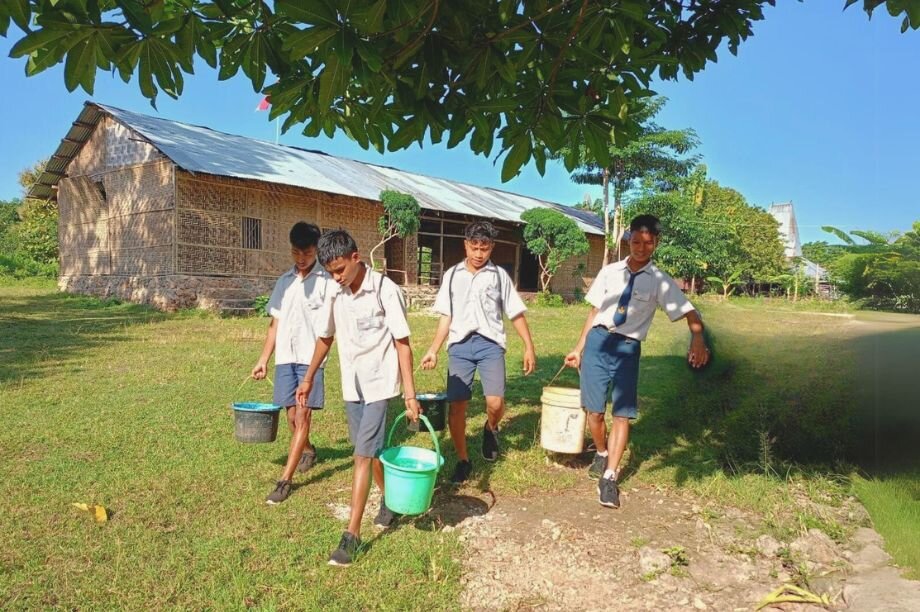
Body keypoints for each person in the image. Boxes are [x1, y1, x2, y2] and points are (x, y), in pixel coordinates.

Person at [564, 214, 710, 509]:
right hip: (597, 343)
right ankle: (602, 451)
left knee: (622, 414)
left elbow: (691, 314)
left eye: (648, 243)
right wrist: (579, 348)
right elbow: (593, 314)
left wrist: (697, 339)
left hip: (628, 349)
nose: (641, 247)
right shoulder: (609, 272)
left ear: (656, 244)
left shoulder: (660, 281)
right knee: (593, 412)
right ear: (628, 239)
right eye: (636, 241)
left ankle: (609, 476)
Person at [295, 230, 421, 567]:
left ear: (356, 256)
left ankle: (351, 536)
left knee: (361, 456)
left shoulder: (384, 291)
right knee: (372, 452)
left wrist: (410, 394)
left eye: (340, 270)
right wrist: (307, 378)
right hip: (353, 386)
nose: (336, 277)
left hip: (381, 383)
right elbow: (325, 338)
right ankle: (391, 499)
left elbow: (402, 344)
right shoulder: (336, 295)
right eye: (330, 272)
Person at [420, 221, 536, 484]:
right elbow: (446, 316)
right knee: (456, 406)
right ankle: (463, 461)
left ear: (492, 247)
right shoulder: (451, 276)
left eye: (485, 248)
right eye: (474, 247)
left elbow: (515, 312)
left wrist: (529, 346)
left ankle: (490, 428)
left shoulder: (498, 276)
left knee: (495, 402)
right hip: (460, 346)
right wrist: (434, 349)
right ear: (466, 245)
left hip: (490, 344)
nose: (479, 254)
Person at [252, 222, 329, 505]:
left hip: (311, 360)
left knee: (303, 415)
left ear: (316, 251)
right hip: (285, 357)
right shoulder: (284, 282)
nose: (301, 258)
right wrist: (263, 359)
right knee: (292, 417)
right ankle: (307, 450)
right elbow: (275, 325)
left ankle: (285, 480)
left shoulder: (326, 283)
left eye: (307, 253)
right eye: (296, 252)